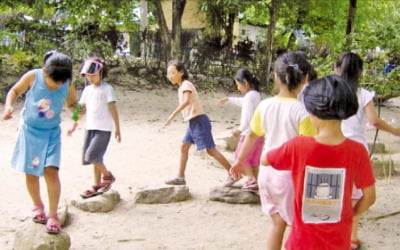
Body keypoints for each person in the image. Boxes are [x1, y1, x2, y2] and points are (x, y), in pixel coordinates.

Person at [256, 74, 376, 250]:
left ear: (312, 112)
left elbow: (265, 159)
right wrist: (350, 214)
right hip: (339, 242)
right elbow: (370, 197)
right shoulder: (358, 151)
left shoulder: (297, 146)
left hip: (301, 242)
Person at [231, 51, 316, 250]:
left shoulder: (264, 105)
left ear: (276, 78)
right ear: (305, 79)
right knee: (298, 226)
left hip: (266, 175)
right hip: (289, 177)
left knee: (277, 223)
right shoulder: (303, 112)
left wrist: (239, 161)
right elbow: (308, 147)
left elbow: (251, 135)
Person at [3, 51, 77, 234]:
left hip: (51, 133)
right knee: (31, 172)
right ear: (45, 71)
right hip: (29, 131)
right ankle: (37, 205)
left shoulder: (67, 84)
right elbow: (14, 91)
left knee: (51, 172)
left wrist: (78, 113)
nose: (57, 85)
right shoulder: (33, 76)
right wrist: (9, 105)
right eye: (55, 81)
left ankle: (53, 214)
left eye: (61, 82)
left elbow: (72, 105)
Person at [335, 51, 400, 249]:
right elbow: (374, 120)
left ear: (338, 69)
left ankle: (336, 232)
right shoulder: (362, 94)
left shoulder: (332, 91)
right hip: (356, 148)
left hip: (334, 144)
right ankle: (352, 236)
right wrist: (395, 131)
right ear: (360, 73)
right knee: (358, 193)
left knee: (337, 190)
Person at [164, 59, 233, 186]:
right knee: (184, 147)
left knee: (211, 150)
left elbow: (186, 102)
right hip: (193, 122)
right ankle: (180, 177)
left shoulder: (186, 85)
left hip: (199, 120)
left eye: (173, 73)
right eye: (168, 74)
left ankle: (233, 173)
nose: (170, 76)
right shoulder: (183, 86)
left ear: (181, 72)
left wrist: (172, 115)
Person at [68, 58, 121, 198]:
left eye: (93, 74)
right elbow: (80, 109)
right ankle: (96, 185)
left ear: (101, 73)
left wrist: (117, 128)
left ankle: (108, 176)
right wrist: (73, 125)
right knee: (96, 158)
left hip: (104, 129)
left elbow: (113, 108)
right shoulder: (87, 90)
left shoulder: (107, 89)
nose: (90, 77)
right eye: (88, 75)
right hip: (90, 128)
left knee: (92, 156)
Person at [217, 68, 264, 191]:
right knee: (253, 159)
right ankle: (256, 181)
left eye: (238, 85)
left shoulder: (249, 96)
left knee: (241, 156)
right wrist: (229, 99)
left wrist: (239, 129)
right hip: (259, 133)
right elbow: (244, 102)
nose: (237, 88)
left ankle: (250, 179)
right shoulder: (255, 94)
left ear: (245, 83)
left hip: (249, 133)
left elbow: (247, 117)